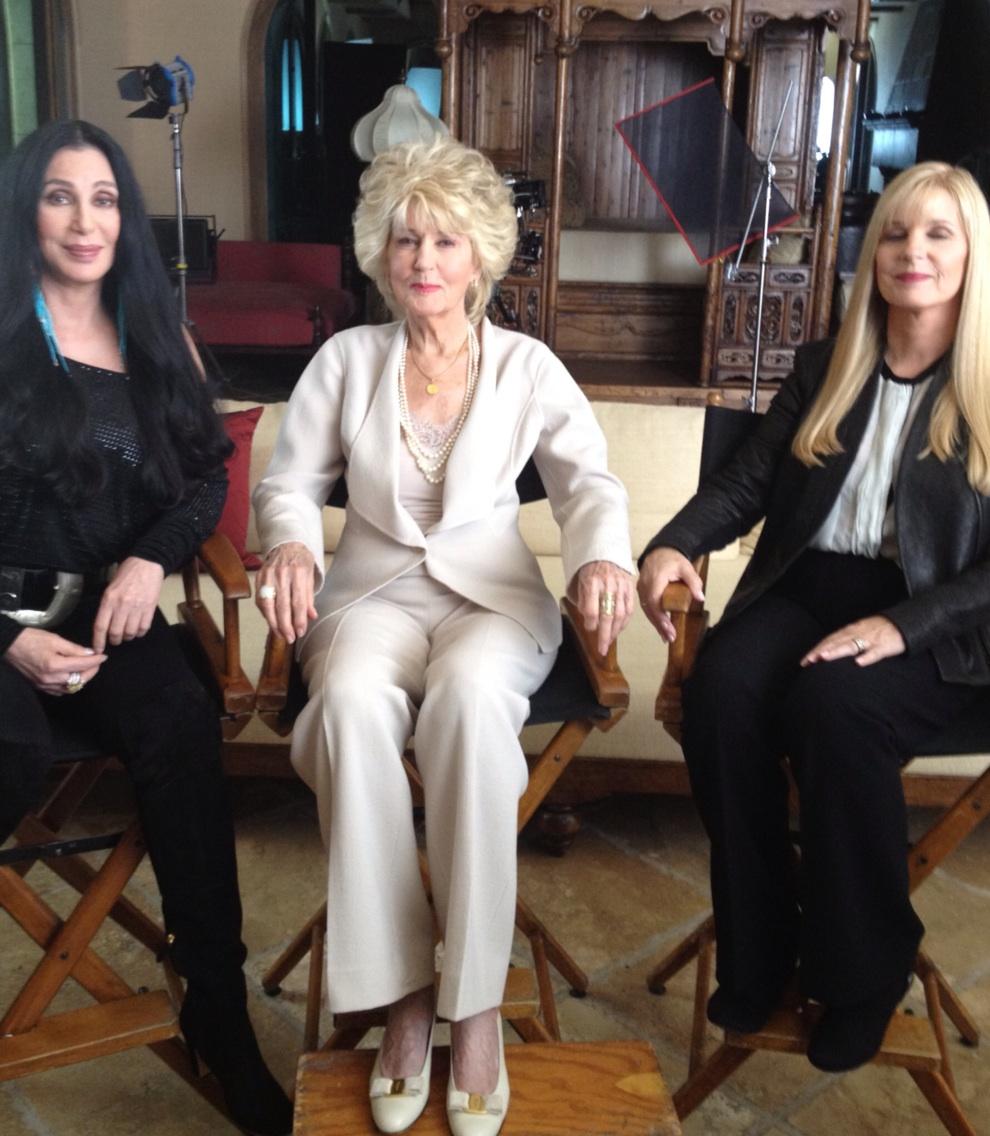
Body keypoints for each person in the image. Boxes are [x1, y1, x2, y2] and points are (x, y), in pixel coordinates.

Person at [253, 136, 633, 1136]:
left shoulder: (526, 366)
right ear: (380, 253)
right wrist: (289, 543)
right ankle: (403, 998)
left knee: (468, 703)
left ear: (480, 257)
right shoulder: (347, 361)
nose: (424, 258)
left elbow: (588, 483)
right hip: (370, 597)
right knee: (345, 704)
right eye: (406, 238)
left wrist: (603, 558)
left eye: (446, 239)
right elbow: (288, 481)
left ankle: (475, 1005)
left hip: (491, 602)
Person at [638, 161, 990, 1072]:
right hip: (809, 587)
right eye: (896, 233)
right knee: (722, 692)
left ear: (972, 254)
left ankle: (865, 973)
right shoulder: (826, 365)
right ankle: (758, 948)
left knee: (836, 708)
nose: (912, 251)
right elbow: (751, 480)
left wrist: (904, 626)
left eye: (938, 234)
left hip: (942, 620)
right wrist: (673, 543)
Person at [0, 120, 292, 1135]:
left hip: (104, 611)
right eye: (60, 196)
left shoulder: (156, 333)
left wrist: (147, 559)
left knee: (179, 717)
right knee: (11, 745)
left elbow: (206, 473)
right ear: (27, 210)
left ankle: (217, 1004)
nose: (86, 221)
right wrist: (6, 634)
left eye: (105, 199)